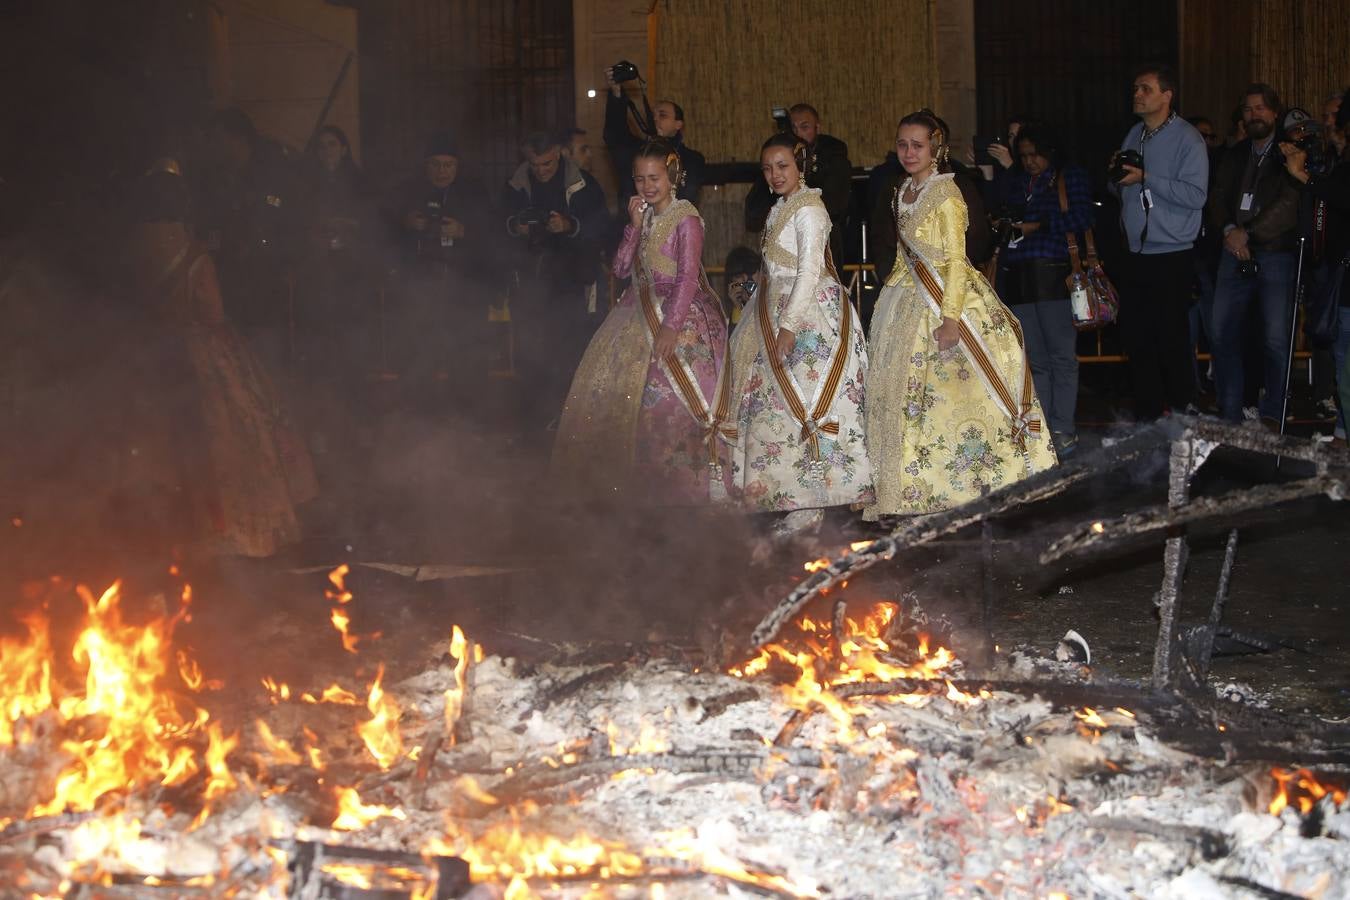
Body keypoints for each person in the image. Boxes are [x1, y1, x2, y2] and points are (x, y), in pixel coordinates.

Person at [865, 110, 1055, 519]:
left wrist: (950, 318)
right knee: (903, 398)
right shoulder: (901, 191)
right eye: (902, 144)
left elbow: (955, 259)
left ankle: (967, 487)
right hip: (906, 298)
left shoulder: (947, 193)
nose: (909, 152)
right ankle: (908, 490)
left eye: (917, 145)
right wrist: (891, 292)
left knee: (951, 400)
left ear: (936, 148)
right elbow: (903, 255)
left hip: (945, 302)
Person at [126, 166, 317, 558]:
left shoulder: (131, 247)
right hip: (199, 355)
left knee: (156, 449)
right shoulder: (195, 253)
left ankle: (159, 537)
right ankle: (227, 533)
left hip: (144, 353)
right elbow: (212, 312)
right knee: (227, 442)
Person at [551, 142, 732, 504]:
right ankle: (639, 486)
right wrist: (633, 227)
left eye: (655, 178)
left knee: (666, 399)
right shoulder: (642, 214)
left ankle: (691, 484)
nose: (648, 186)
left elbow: (687, 278)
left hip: (680, 317)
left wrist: (671, 326)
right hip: (635, 312)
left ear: (672, 176)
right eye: (640, 179)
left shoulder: (687, 219)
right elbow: (619, 268)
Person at [730, 133, 873, 536]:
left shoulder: (810, 208)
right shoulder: (780, 208)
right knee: (773, 406)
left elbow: (810, 271)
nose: (774, 175)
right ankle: (791, 494)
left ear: (801, 166)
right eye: (768, 168)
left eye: (783, 167)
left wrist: (789, 326)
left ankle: (817, 500)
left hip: (809, 315)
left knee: (810, 402)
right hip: (775, 308)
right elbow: (775, 267)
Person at [1109, 64, 1208, 421]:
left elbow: (1196, 196)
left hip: (1172, 255)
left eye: (1146, 88)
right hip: (1136, 254)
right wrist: (1117, 179)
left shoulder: (1188, 139)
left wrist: (1147, 178)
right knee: (1137, 340)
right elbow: (1123, 187)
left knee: (1171, 341)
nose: (1137, 94)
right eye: (1136, 87)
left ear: (1167, 96)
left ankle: (1183, 418)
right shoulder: (1133, 134)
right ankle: (1149, 419)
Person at [1205, 84, 1301, 427]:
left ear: (1275, 113)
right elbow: (1216, 197)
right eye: (1248, 109)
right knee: (1220, 332)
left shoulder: (1289, 153)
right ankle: (1230, 412)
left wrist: (1250, 232)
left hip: (1275, 253)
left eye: (1261, 108)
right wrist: (1230, 229)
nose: (1254, 114)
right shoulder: (1234, 154)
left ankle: (1274, 413)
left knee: (1276, 338)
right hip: (1233, 252)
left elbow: (1290, 203)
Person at [995, 123, 1093, 455]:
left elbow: (1082, 218)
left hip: (1055, 275)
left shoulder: (1070, 176)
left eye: (1035, 155)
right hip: (1020, 275)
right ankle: (1044, 428)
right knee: (1035, 360)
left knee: (1061, 357)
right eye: (1023, 156)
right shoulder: (1019, 180)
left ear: (1051, 152)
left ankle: (1063, 428)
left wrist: (1040, 225)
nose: (1029, 162)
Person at [502, 131, 608, 428]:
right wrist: (516, 226)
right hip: (529, 286)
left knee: (569, 356)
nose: (541, 170)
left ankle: (570, 425)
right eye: (535, 164)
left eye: (547, 163)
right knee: (531, 357)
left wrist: (569, 225)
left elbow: (603, 228)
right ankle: (534, 425)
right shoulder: (515, 186)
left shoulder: (583, 186)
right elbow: (496, 224)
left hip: (572, 288)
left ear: (559, 153)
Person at [193, 108, 300, 371]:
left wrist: (274, 255)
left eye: (219, 138)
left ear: (237, 138)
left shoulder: (273, 171)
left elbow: (290, 224)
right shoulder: (216, 177)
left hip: (265, 283)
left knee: (266, 357)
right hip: (228, 285)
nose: (214, 146)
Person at [382, 132, 491, 384]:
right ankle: (419, 416)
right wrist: (407, 223)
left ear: (457, 166)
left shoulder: (474, 193)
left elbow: (493, 236)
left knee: (467, 356)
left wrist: (463, 231)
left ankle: (470, 415)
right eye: (435, 164)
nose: (442, 171)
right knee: (419, 355)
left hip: (465, 287)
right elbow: (384, 234)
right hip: (420, 287)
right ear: (425, 166)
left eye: (448, 164)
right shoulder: (408, 192)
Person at [1283, 88, 1350, 444]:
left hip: (1342, 271)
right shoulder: (1332, 158)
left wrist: (1305, 177)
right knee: (1341, 354)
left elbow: (1342, 198)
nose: (1328, 124)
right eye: (1325, 117)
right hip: (1336, 267)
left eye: (1334, 117)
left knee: (1346, 357)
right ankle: (1342, 427)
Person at [746, 104, 852, 265]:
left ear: (817, 127)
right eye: (793, 128)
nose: (798, 133)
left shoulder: (833, 157)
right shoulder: (775, 167)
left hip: (823, 245)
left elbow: (836, 205)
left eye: (804, 127)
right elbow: (752, 215)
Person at [603, 68, 706, 204]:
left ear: (678, 124)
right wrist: (616, 92)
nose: (655, 120)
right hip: (634, 223)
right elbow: (614, 134)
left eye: (662, 115)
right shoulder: (636, 151)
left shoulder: (693, 160)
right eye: (653, 116)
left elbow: (688, 198)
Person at [723, 246, 763, 326]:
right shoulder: (736, 313)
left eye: (751, 271)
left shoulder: (774, 301)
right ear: (733, 284)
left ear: (760, 272)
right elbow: (735, 337)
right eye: (739, 276)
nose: (746, 279)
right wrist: (738, 307)